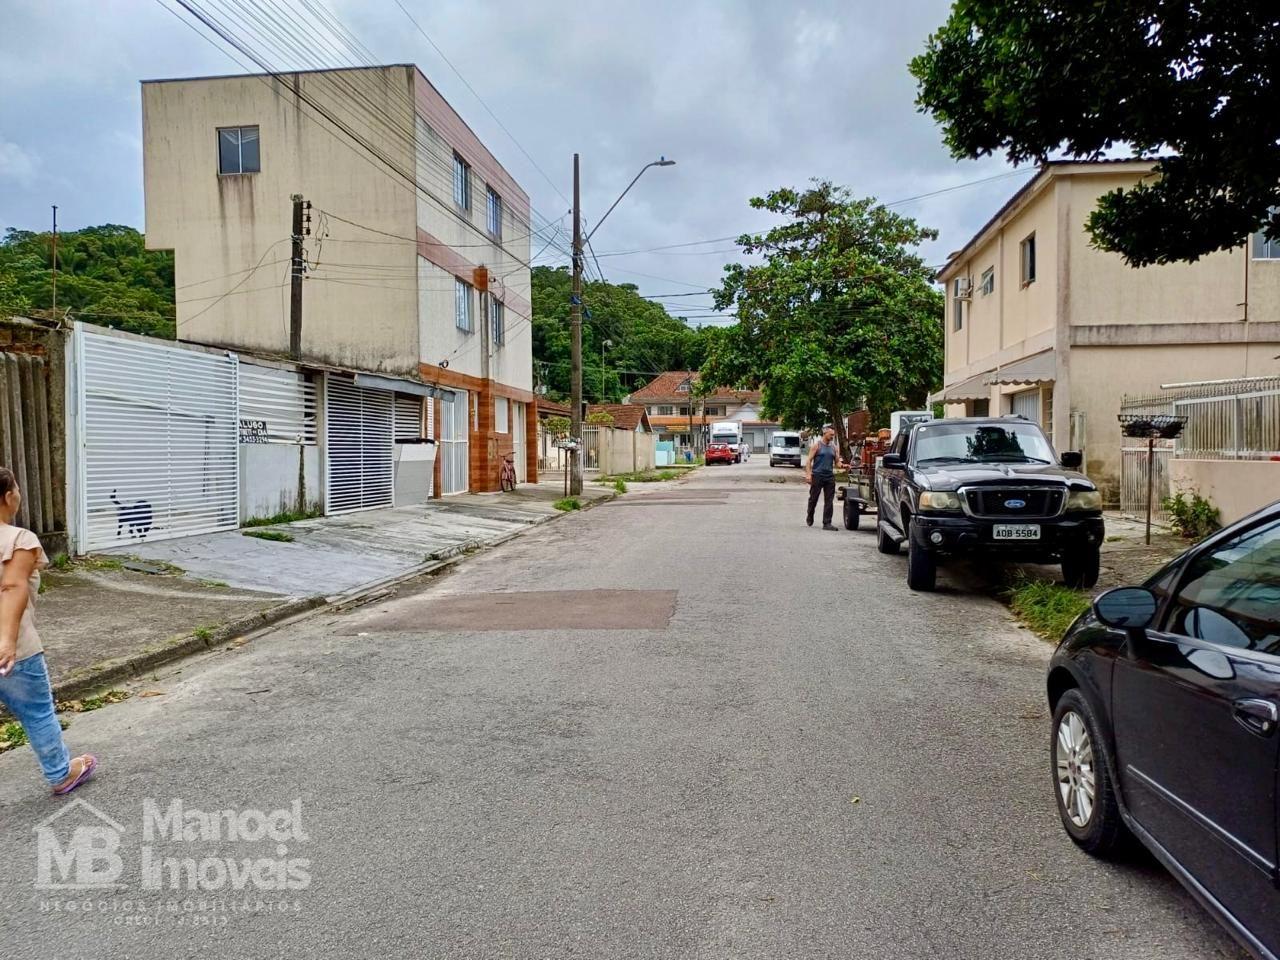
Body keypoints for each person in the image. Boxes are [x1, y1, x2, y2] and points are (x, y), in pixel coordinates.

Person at [0, 467, 97, 796]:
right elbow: (12, 586)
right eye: (16, 489)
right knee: (38, 713)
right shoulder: (19, 539)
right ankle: (61, 774)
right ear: (8, 497)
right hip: (15, 650)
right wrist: (7, 642)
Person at [805, 425, 843, 530]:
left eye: (833, 435)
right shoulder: (817, 446)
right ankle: (810, 514)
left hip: (829, 476)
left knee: (829, 500)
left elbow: (837, 462)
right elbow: (808, 461)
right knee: (813, 499)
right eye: (831, 434)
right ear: (825, 433)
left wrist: (842, 465)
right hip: (817, 475)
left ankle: (827, 523)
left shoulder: (834, 447)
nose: (832, 436)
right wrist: (808, 475)